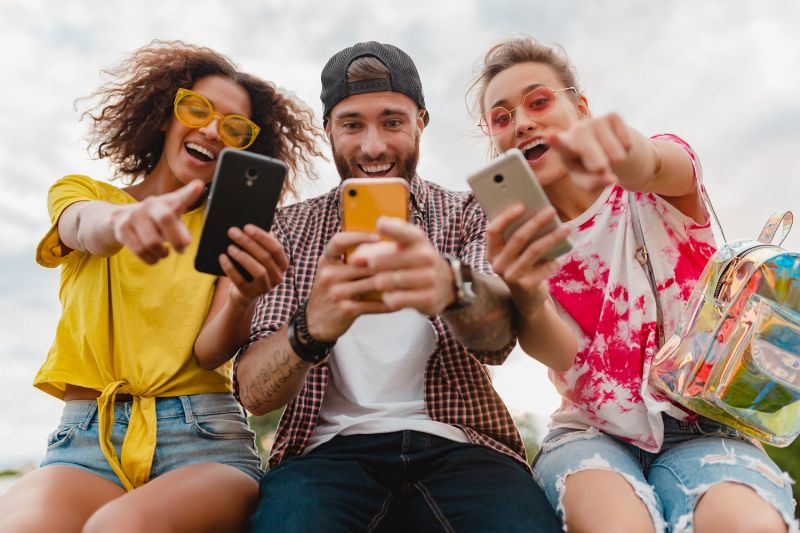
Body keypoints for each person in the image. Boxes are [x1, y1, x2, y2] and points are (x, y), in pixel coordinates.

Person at [234, 41, 576, 532]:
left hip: (462, 446)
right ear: (329, 130)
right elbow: (254, 394)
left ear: (421, 122)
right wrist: (311, 328)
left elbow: (498, 342)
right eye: (352, 125)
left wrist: (451, 288)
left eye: (392, 122)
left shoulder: (470, 211)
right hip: (325, 456)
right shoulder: (288, 228)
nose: (373, 147)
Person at [470, 36, 798, 532]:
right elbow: (560, 353)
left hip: (704, 425)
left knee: (746, 525)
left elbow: (657, 163)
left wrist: (625, 151)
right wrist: (526, 291)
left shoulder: (650, 186)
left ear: (581, 109)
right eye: (501, 117)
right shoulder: (522, 237)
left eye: (538, 102)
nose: (522, 123)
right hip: (590, 434)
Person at [0, 41, 324, 532]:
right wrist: (125, 221)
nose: (212, 130)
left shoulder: (230, 228)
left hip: (203, 440)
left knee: (118, 527)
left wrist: (243, 297)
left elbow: (210, 353)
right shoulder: (84, 194)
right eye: (197, 109)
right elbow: (83, 226)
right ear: (164, 115)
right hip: (87, 440)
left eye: (234, 127)